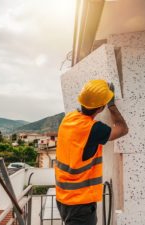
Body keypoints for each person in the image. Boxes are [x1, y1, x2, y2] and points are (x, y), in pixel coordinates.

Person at [55, 79, 128, 225]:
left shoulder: (68, 118)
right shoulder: (93, 129)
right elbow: (122, 129)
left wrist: (97, 96)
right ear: (101, 108)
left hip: (63, 199)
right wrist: (112, 105)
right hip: (80, 205)